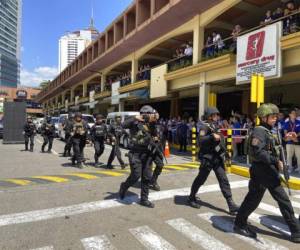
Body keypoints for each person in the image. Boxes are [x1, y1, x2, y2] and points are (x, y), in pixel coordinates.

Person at [234, 103, 300, 243]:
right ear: (263, 117)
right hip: (263, 170)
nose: (275, 118)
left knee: (253, 199)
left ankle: (239, 223)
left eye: (276, 116)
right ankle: (296, 232)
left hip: (265, 170)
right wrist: (276, 161)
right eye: (272, 116)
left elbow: (272, 147)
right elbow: (258, 152)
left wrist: (285, 139)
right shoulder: (259, 131)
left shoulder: (270, 130)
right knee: (283, 201)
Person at [187, 107, 239, 215]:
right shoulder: (204, 127)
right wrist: (211, 136)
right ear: (209, 116)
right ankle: (191, 197)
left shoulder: (215, 126)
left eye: (217, 115)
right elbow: (199, 141)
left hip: (217, 158)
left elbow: (218, 143)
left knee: (223, 180)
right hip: (208, 158)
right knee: (201, 179)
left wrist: (225, 154)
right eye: (214, 115)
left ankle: (231, 203)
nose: (217, 117)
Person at [119, 105, 158, 208]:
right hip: (135, 153)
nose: (147, 116)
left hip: (147, 154)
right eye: (145, 114)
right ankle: (124, 186)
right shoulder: (134, 122)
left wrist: (155, 138)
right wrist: (134, 118)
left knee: (147, 177)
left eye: (149, 114)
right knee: (136, 176)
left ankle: (144, 199)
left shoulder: (151, 123)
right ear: (141, 114)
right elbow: (122, 125)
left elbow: (155, 134)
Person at [149, 110, 165, 191]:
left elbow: (161, 136)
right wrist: (152, 139)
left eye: (156, 114)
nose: (156, 115)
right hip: (150, 149)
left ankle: (153, 180)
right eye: (154, 114)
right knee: (146, 168)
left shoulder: (159, 124)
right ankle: (149, 181)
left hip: (158, 148)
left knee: (160, 165)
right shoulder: (149, 124)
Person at [284, 109, 300, 173]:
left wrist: (296, 136)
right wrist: (289, 136)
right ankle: (289, 168)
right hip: (289, 141)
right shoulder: (287, 122)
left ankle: (299, 168)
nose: (294, 114)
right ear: (290, 115)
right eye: (293, 113)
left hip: (297, 141)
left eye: (295, 113)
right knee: (289, 156)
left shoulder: (299, 122)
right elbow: (285, 131)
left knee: (299, 156)